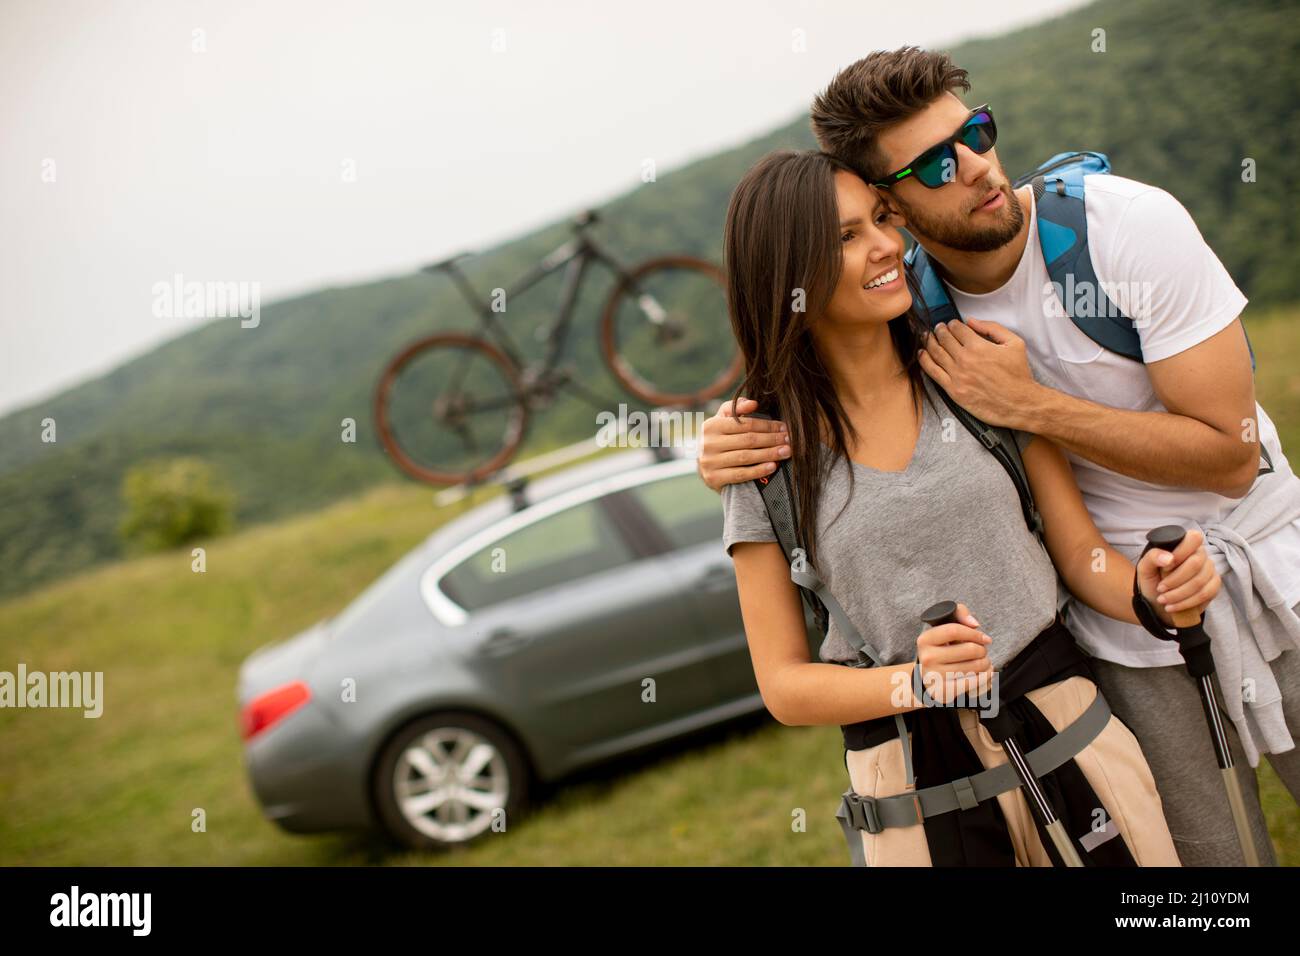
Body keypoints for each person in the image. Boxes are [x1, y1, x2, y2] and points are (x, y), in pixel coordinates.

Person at [701, 47, 1300, 867]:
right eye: (935, 164)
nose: (978, 167)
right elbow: (784, 679)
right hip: (989, 731)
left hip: (1213, 609)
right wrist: (723, 438)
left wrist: (1032, 411)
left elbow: (1194, 482)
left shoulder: (1073, 273)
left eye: (976, 133)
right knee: (1214, 867)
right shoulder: (792, 429)